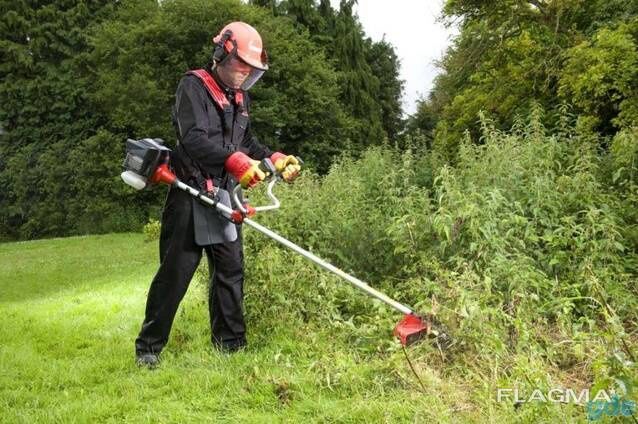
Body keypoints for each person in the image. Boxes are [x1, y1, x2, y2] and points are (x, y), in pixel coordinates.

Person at [135, 22, 301, 368]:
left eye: (251, 69)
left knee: (230, 270)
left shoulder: (240, 98)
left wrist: (274, 158)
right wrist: (236, 161)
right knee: (176, 273)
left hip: (225, 196)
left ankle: (230, 344)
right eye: (242, 65)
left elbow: (247, 142)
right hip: (189, 192)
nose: (245, 74)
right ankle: (149, 348)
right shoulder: (192, 86)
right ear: (223, 53)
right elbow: (193, 138)